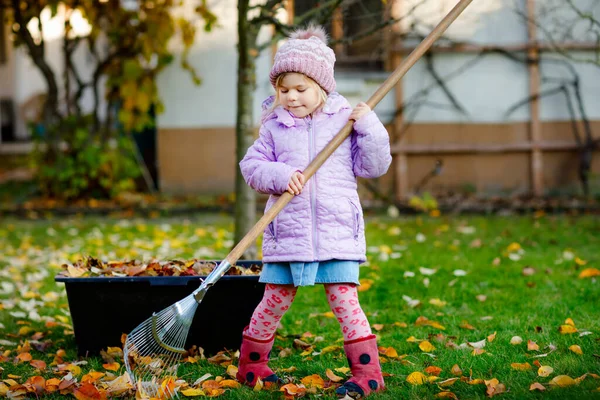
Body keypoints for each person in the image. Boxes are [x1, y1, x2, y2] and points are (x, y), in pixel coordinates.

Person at [236, 24, 392, 399]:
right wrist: (281, 174)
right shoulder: (274, 128)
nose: (291, 97)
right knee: (273, 300)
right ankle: (252, 366)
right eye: (283, 89)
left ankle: (367, 374)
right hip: (288, 232)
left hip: (336, 230)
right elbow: (252, 167)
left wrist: (370, 127)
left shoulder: (344, 122)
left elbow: (374, 166)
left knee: (345, 301)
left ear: (322, 86)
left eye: (300, 89)